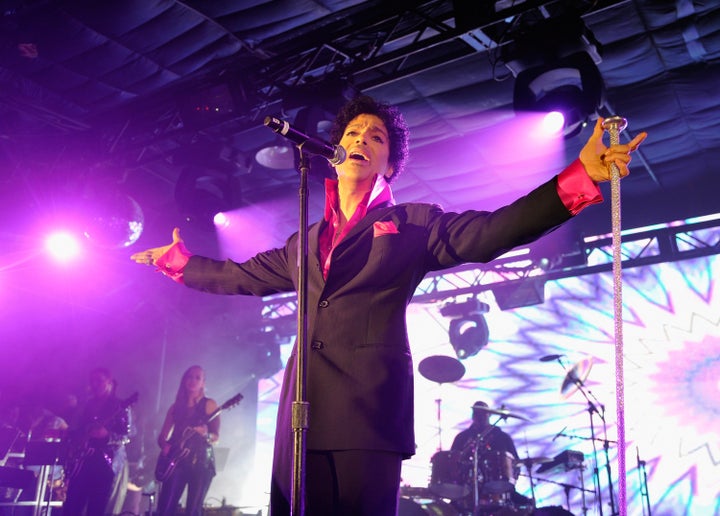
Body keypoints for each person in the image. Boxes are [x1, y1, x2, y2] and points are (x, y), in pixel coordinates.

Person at [130, 94, 647, 516]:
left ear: (389, 165)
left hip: (366, 416)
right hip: (300, 415)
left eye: (374, 136)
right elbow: (239, 276)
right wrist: (180, 262)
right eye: (352, 133)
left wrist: (577, 179)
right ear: (334, 152)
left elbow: (494, 232)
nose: (360, 140)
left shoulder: (413, 224)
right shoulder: (304, 241)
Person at [63, 367, 133, 515]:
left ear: (109, 382)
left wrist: (107, 435)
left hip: (105, 465)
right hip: (82, 461)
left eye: (99, 381)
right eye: (92, 381)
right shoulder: (87, 405)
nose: (95, 384)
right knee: (72, 506)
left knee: (97, 508)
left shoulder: (119, 407)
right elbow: (79, 429)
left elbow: (126, 437)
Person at [155, 365, 219, 516]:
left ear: (203, 382)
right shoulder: (175, 407)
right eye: (190, 376)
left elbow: (216, 437)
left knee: (193, 510)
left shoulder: (209, 404)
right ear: (184, 380)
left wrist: (206, 434)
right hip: (177, 461)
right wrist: (165, 446)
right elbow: (162, 437)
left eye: (198, 377)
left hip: (202, 463)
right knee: (166, 507)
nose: (193, 380)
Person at [450, 401, 531, 514]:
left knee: (525, 506)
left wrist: (512, 478)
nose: (480, 417)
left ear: (489, 415)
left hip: (499, 491)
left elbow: (515, 464)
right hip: (467, 491)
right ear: (473, 415)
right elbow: (453, 463)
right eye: (477, 413)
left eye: (483, 413)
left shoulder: (503, 437)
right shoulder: (462, 438)